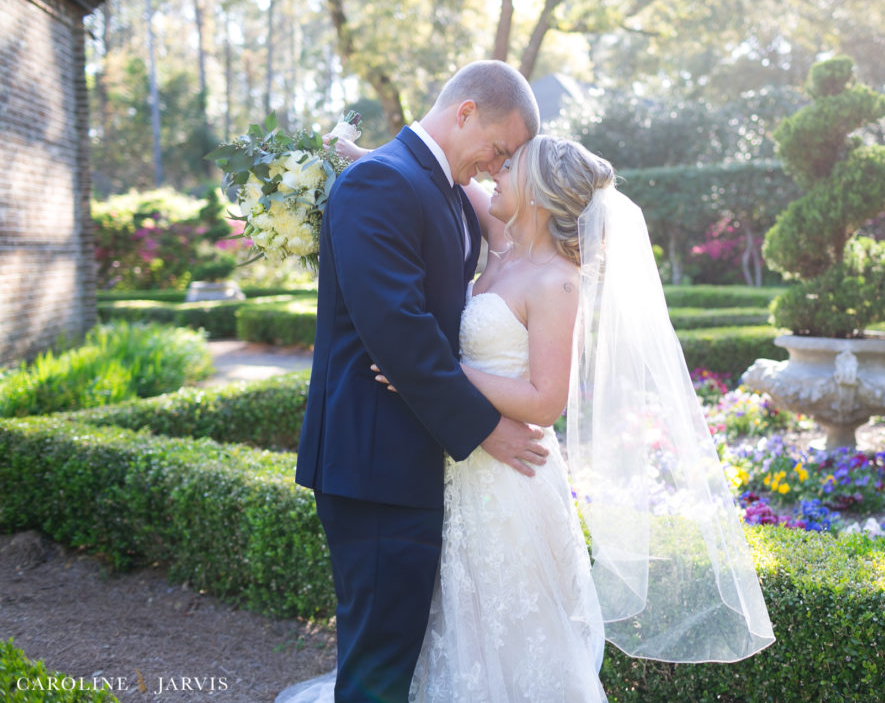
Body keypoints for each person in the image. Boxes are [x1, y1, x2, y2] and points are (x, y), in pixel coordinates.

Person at [281, 134, 775, 703]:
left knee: (513, 627)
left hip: (512, 479)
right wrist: (365, 158)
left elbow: (545, 401)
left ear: (537, 194)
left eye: (508, 168)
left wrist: (439, 371)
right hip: (459, 466)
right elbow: (442, 178)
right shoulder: (502, 243)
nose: (495, 174)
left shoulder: (558, 281)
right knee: (452, 624)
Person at [292, 60, 547, 703]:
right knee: (380, 659)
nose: (497, 167)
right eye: (498, 149)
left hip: (409, 454)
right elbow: (399, 332)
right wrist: (487, 427)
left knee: (402, 652)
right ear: (464, 113)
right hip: (374, 458)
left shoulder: (433, 181)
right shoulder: (384, 182)